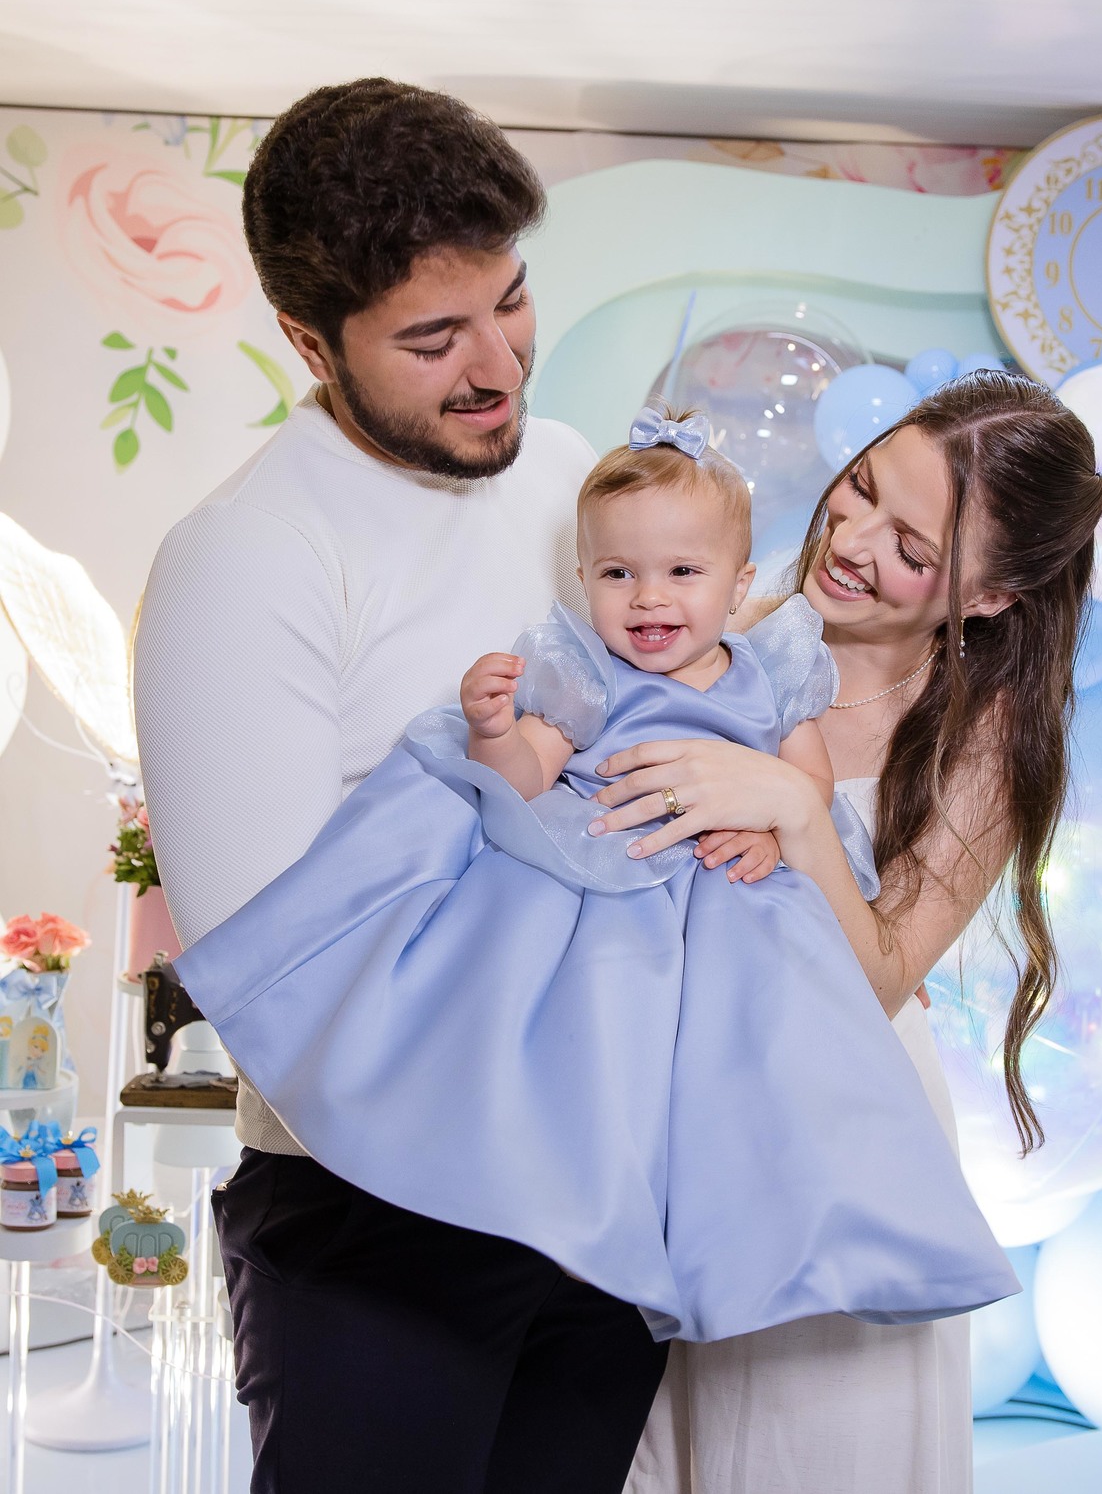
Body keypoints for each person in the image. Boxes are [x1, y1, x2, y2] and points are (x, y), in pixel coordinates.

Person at [174, 405, 1016, 1347]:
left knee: (729, 1110)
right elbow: (524, 773)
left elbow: (808, 790)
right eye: (618, 575)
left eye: (909, 543)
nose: (650, 599)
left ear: (734, 581)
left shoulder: (778, 673)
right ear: (585, 578)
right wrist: (493, 729)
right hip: (608, 887)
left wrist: (779, 829)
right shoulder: (586, 670)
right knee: (578, 1035)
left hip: (731, 935)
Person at [133, 78, 670, 1494]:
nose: (497, 365)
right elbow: (273, 977)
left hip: (595, 1194)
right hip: (378, 1214)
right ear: (310, 340)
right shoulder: (247, 558)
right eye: (433, 339)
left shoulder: (567, 475)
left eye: (511, 299)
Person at [595, 370, 1102, 1494]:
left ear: (987, 597)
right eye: (863, 487)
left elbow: (879, 977)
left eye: (912, 547)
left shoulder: (984, 739)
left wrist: (796, 809)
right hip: (669, 1123)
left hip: (835, 1145)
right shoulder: (717, 627)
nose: (853, 539)